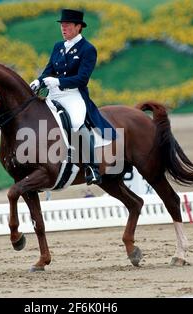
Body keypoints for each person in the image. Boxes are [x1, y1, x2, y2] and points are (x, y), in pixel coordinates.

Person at [30, 9, 116, 185]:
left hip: (73, 94)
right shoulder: (58, 47)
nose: (63, 29)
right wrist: (38, 82)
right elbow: (48, 70)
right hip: (54, 94)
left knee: (77, 122)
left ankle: (92, 167)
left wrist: (59, 82)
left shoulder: (88, 49)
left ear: (78, 27)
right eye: (62, 26)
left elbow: (82, 78)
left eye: (67, 25)